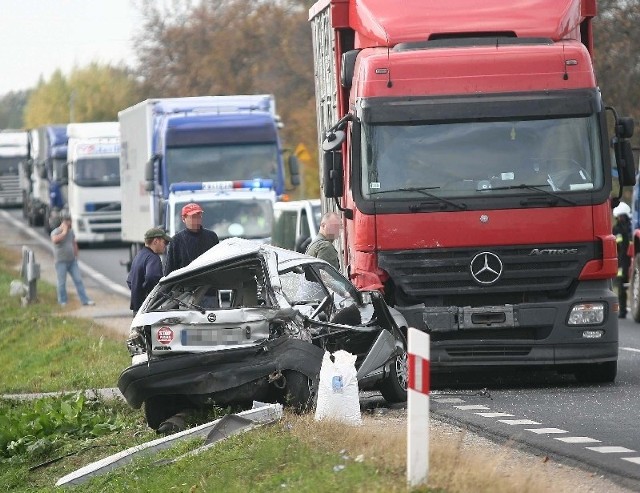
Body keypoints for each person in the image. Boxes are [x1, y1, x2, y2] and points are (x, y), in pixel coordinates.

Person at [50, 211, 94, 306]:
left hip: (72, 261)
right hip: (61, 261)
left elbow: (73, 243)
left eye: (70, 221)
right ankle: (62, 301)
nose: (70, 223)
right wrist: (64, 232)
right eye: (67, 221)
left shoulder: (71, 232)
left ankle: (85, 300)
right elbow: (54, 240)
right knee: (61, 282)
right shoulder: (56, 231)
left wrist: (76, 254)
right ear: (63, 222)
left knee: (78, 280)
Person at [164, 202, 219, 275]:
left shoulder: (211, 236)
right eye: (193, 217)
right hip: (186, 283)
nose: (197, 219)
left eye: (199, 216)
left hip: (209, 282)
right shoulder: (176, 240)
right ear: (184, 218)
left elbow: (219, 262)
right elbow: (170, 269)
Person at [127, 227, 171, 313]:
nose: (165, 245)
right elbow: (152, 277)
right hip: (148, 310)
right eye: (164, 242)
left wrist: (138, 292)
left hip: (137, 309)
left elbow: (129, 281)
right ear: (156, 241)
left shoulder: (139, 255)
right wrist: (152, 296)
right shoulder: (153, 258)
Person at [613, 202, 632, 319]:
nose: (621, 218)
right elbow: (616, 246)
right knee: (621, 286)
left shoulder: (632, 228)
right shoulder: (616, 229)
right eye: (619, 217)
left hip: (631, 260)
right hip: (621, 261)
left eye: (622, 216)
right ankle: (623, 310)